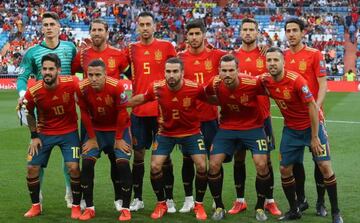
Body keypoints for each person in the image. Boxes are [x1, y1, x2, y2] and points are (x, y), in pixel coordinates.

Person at [262, 47, 343, 223]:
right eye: (269, 60)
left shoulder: (297, 80)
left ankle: (336, 212)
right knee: (284, 169)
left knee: (324, 166)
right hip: (291, 130)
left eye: (276, 60)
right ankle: (294, 209)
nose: (272, 64)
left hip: (311, 127)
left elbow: (313, 107)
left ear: (284, 62)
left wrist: (314, 137)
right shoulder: (266, 81)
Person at [127, 57, 209, 220]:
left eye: (175, 71)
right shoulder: (157, 87)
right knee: (155, 166)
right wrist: (122, 104)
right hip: (166, 133)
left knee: (201, 165)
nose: (171, 75)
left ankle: (198, 204)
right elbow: (142, 98)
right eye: (168, 71)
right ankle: (161, 203)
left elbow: (211, 99)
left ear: (182, 73)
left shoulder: (194, 88)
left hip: (191, 132)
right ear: (164, 72)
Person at [16, 11, 77, 208]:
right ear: (42, 28)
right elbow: (22, 77)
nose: (49, 27)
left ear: (59, 27)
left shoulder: (70, 48)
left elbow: (81, 72)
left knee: (70, 158)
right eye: (45, 24)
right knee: (37, 154)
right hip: (42, 110)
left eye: (52, 24)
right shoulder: (33, 52)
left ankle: (70, 193)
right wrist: (23, 96)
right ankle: (37, 196)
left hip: (66, 109)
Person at [205, 54, 272, 221]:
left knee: (262, 165)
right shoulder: (215, 83)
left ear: (238, 70)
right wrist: (220, 101)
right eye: (224, 70)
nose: (227, 74)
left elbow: (272, 91)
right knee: (213, 165)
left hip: (253, 127)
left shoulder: (252, 83)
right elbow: (204, 95)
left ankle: (259, 207)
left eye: (231, 70)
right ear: (219, 71)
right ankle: (219, 206)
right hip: (227, 128)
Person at [71, 17, 129, 211]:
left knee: (117, 160)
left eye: (100, 30)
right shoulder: (83, 55)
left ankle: (120, 199)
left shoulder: (119, 54)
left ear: (107, 32)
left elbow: (133, 77)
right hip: (92, 117)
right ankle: (84, 202)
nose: (96, 33)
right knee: (86, 160)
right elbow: (70, 74)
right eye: (93, 30)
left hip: (115, 117)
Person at [124, 11, 177, 212]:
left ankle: (169, 198)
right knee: (138, 156)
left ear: (155, 26)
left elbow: (178, 71)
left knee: (165, 157)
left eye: (148, 24)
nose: (145, 28)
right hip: (138, 112)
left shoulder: (166, 47)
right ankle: (138, 198)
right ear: (137, 27)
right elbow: (117, 68)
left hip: (162, 112)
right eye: (141, 24)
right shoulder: (131, 49)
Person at [22, 53, 81, 219]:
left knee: (74, 168)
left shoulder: (72, 82)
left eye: (51, 69)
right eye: (44, 69)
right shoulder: (33, 91)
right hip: (44, 133)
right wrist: (34, 136)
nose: (47, 72)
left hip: (69, 133)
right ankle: (35, 206)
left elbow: (86, 95)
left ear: (59, 70)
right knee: (32, 168)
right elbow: (28, 113)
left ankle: (76, 206)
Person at [231, 18, 281, 216]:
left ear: (258, 32)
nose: (248, 33)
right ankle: (240, 200)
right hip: (238, 118)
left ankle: (269, 200)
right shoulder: (232, 56)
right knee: (239, 159)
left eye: (252, 29)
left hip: (261, 116)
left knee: (266, 161)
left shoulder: (266, 54)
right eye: (245, 29)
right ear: (240, 32)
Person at [177, 19, 226, 213]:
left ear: (204, 35)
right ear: (186, 36)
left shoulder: (217, 56)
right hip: (188, 119)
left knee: (214, 160)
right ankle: (189, 199)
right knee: (188, 160)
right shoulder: (179, 57)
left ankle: (216, 198)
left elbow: (237, 59)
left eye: (198, 34)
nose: (195, 37)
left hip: (211, 119)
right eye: (191, 34)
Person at [76, 59, 132, 221]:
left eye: (97, 75)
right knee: (86, 163)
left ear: (105, 74)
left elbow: (122, 113)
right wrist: (92, 138)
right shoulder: (82, 88)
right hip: (97, 131)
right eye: (90, 75)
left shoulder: (116, 86)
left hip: (118, 129)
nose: (93, 78)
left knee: (122, 163)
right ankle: (90, 207)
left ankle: (125, 208)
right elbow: (84, 114)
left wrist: (119, 138)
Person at [284, 17, 328, 216]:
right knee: (295, 162)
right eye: (288, 30)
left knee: (319, 159)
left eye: (295, 30)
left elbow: (323, 84)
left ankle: (321, 202)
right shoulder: (282, 56)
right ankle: (301, 200)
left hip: (312, 117)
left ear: (303, 32)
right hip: (293, 120)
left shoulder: (314, 54)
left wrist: (316, 108)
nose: (291, 34)